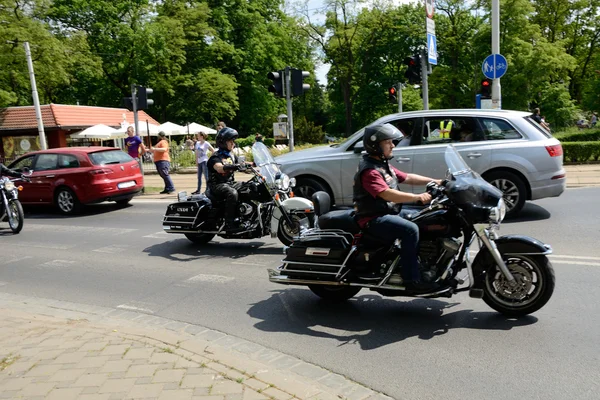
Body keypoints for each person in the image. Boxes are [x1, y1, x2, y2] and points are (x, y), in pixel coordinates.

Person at [353, 123, 442, 292]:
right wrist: (417, 197)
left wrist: (437, 181)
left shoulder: (382, 164)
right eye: (388, 142)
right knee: (410, 230)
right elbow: (386, 194)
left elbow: (407, 177)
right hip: (373, 217)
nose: (393, 145)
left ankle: (424, 263)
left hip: (389, 211)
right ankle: (412, 280)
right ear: (375, 145)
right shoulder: (370, 171)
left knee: (428, 216)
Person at [207, 127, 246, 232]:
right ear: (223, 142)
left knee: (249, 186)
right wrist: (231, 167)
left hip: (229, 183)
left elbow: (242, 165)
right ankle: (229, 223)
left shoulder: (231, 156)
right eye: (230, 141)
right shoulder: (215, 157)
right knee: (232, 193)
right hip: (217, 185)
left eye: (233, 141)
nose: (233, 143)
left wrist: (256, 165)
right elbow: (219, 168)